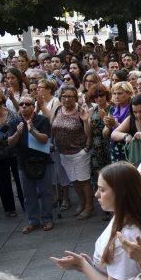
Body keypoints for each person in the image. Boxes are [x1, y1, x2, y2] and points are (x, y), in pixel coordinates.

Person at [51, 162, 141, 280]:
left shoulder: (128, 235)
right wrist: (90, 265)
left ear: (121, 193)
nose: (96, 194)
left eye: (102, 190)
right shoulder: (119, 219)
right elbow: (115, 270)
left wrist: (83, 266)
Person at [7, 95, 55, 233]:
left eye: (27, 104)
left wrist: (32, 130)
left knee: (45, 192)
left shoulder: (42, 120)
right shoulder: (15, 122)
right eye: (21, 104)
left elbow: (45, 139)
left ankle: (47, 219)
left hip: (42, 161)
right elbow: (10, 142)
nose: (23, 106)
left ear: (33, 107)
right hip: (23, 162)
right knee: (28, 194)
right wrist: (18, 132)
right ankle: (33, 221)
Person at [51, 85, 94, 219]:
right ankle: (82, 203)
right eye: (64, 96)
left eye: (70, 96)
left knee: (83, 180)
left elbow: (88, 132)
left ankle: (89, 206)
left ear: (75, 98)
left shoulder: (80, 110)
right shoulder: (58, 109)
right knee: (74, 180)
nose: (67, 99)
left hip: (79, 152)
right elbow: (53, 126)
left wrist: (86, 146)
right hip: (63, 152)